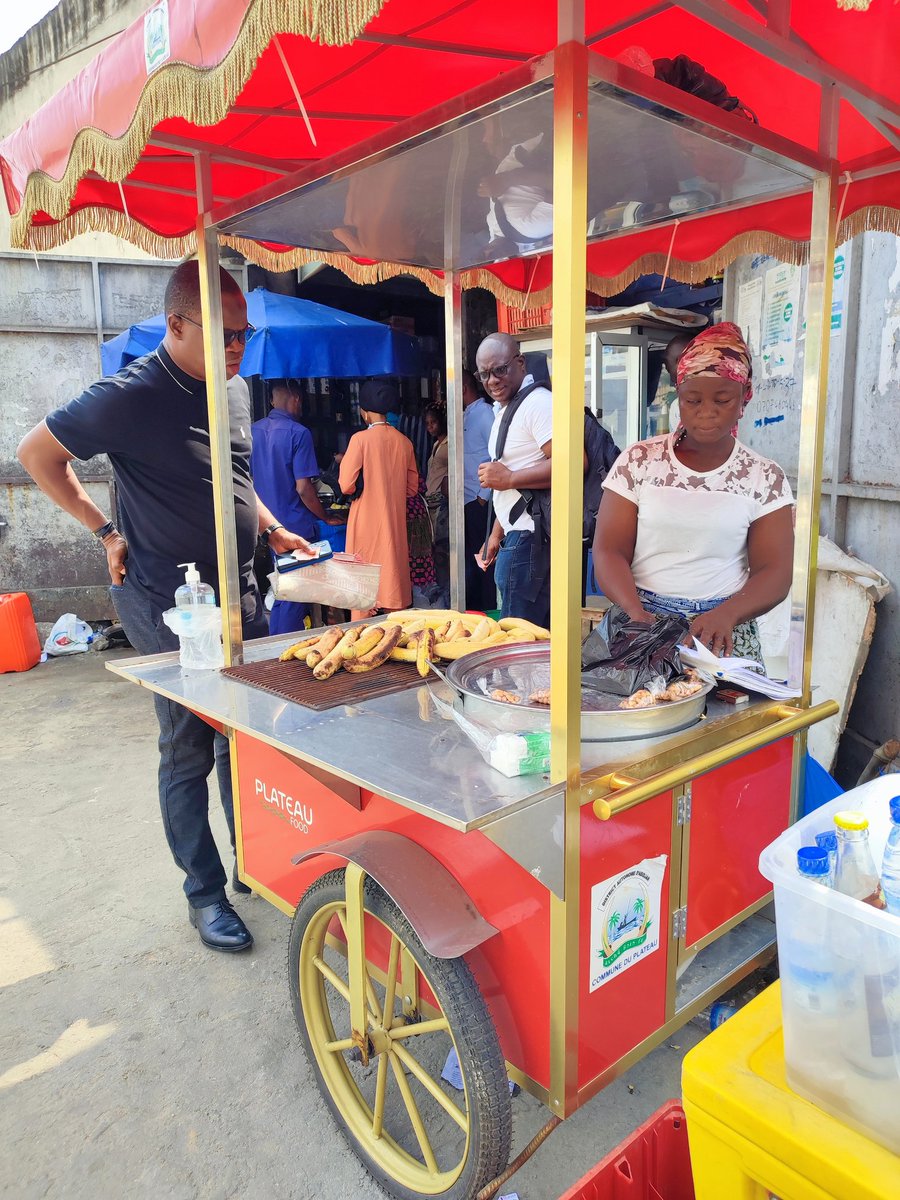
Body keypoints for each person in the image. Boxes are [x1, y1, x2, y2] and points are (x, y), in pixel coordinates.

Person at [16, 261, 314, 954]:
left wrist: (270, 526)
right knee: (189, 745)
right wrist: (105, 530)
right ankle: (203, 894)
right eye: (225, 334)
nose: (239, 348)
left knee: (249, 733)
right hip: (169, 599)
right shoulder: (130, 395)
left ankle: (256, 861)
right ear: (177, 325)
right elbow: (37, 454)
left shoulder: (235, 390)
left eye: (246, 334)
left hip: (240, 585)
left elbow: (236, 478)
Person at [593, 322, 794, 662]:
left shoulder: (764, 476)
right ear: (678, 395)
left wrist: (727, 615)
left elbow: (775, 571)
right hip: (640, 618)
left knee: (727, 714)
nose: (706, 412)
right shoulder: (640, 461)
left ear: (745, 396)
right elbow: (609, 550)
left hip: (724, 626)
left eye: (722, 399)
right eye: (693, 399)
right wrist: (637, 614)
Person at [250, 378, 343, 635]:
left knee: (283, 588)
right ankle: (282, 648)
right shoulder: (298, 433)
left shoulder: (253, 430)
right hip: (295, 527)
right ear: (297, 400)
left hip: (266, 525)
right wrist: (325, 516)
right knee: (296, 593)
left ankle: (273, 643)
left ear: (271, 399)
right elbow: (304, 489)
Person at [476, 333, 553, 627]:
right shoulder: (512, 406)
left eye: (500, 369)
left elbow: (572, 464)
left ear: (520, 363)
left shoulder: (538, 404)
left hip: (530, 540)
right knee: (523, 638)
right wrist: (496, 534)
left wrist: (508, 478)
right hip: (517, 535)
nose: (492, 380)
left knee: (517, 641)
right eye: (484, 374)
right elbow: (516, 488)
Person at [339, 381, 419, 618]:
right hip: (393, 525)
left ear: (363, 411)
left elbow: (346, 484)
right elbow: (412, 488)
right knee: (394, 591)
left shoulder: (360, 440)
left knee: (363, 594)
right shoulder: (404, 443)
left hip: (364, 524)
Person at [461, 370, 496, 610]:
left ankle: (487, 611)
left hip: (478, 499)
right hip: (465, 500)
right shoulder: (465, 415)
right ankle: (473, 611)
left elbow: (498, 455)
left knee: (483, 562)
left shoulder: (484, 414)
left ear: (463, 387)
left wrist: (483, 497)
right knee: (470, 562)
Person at [424, 402, 450, 604]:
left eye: (433, 423)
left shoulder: (450, 444)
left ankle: (448, 593)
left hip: (443, 503)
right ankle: (441, 590)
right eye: (427, 424)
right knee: (435, 547)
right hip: (431, 503)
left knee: (443, 548)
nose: (430, 427)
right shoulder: (436, 445)